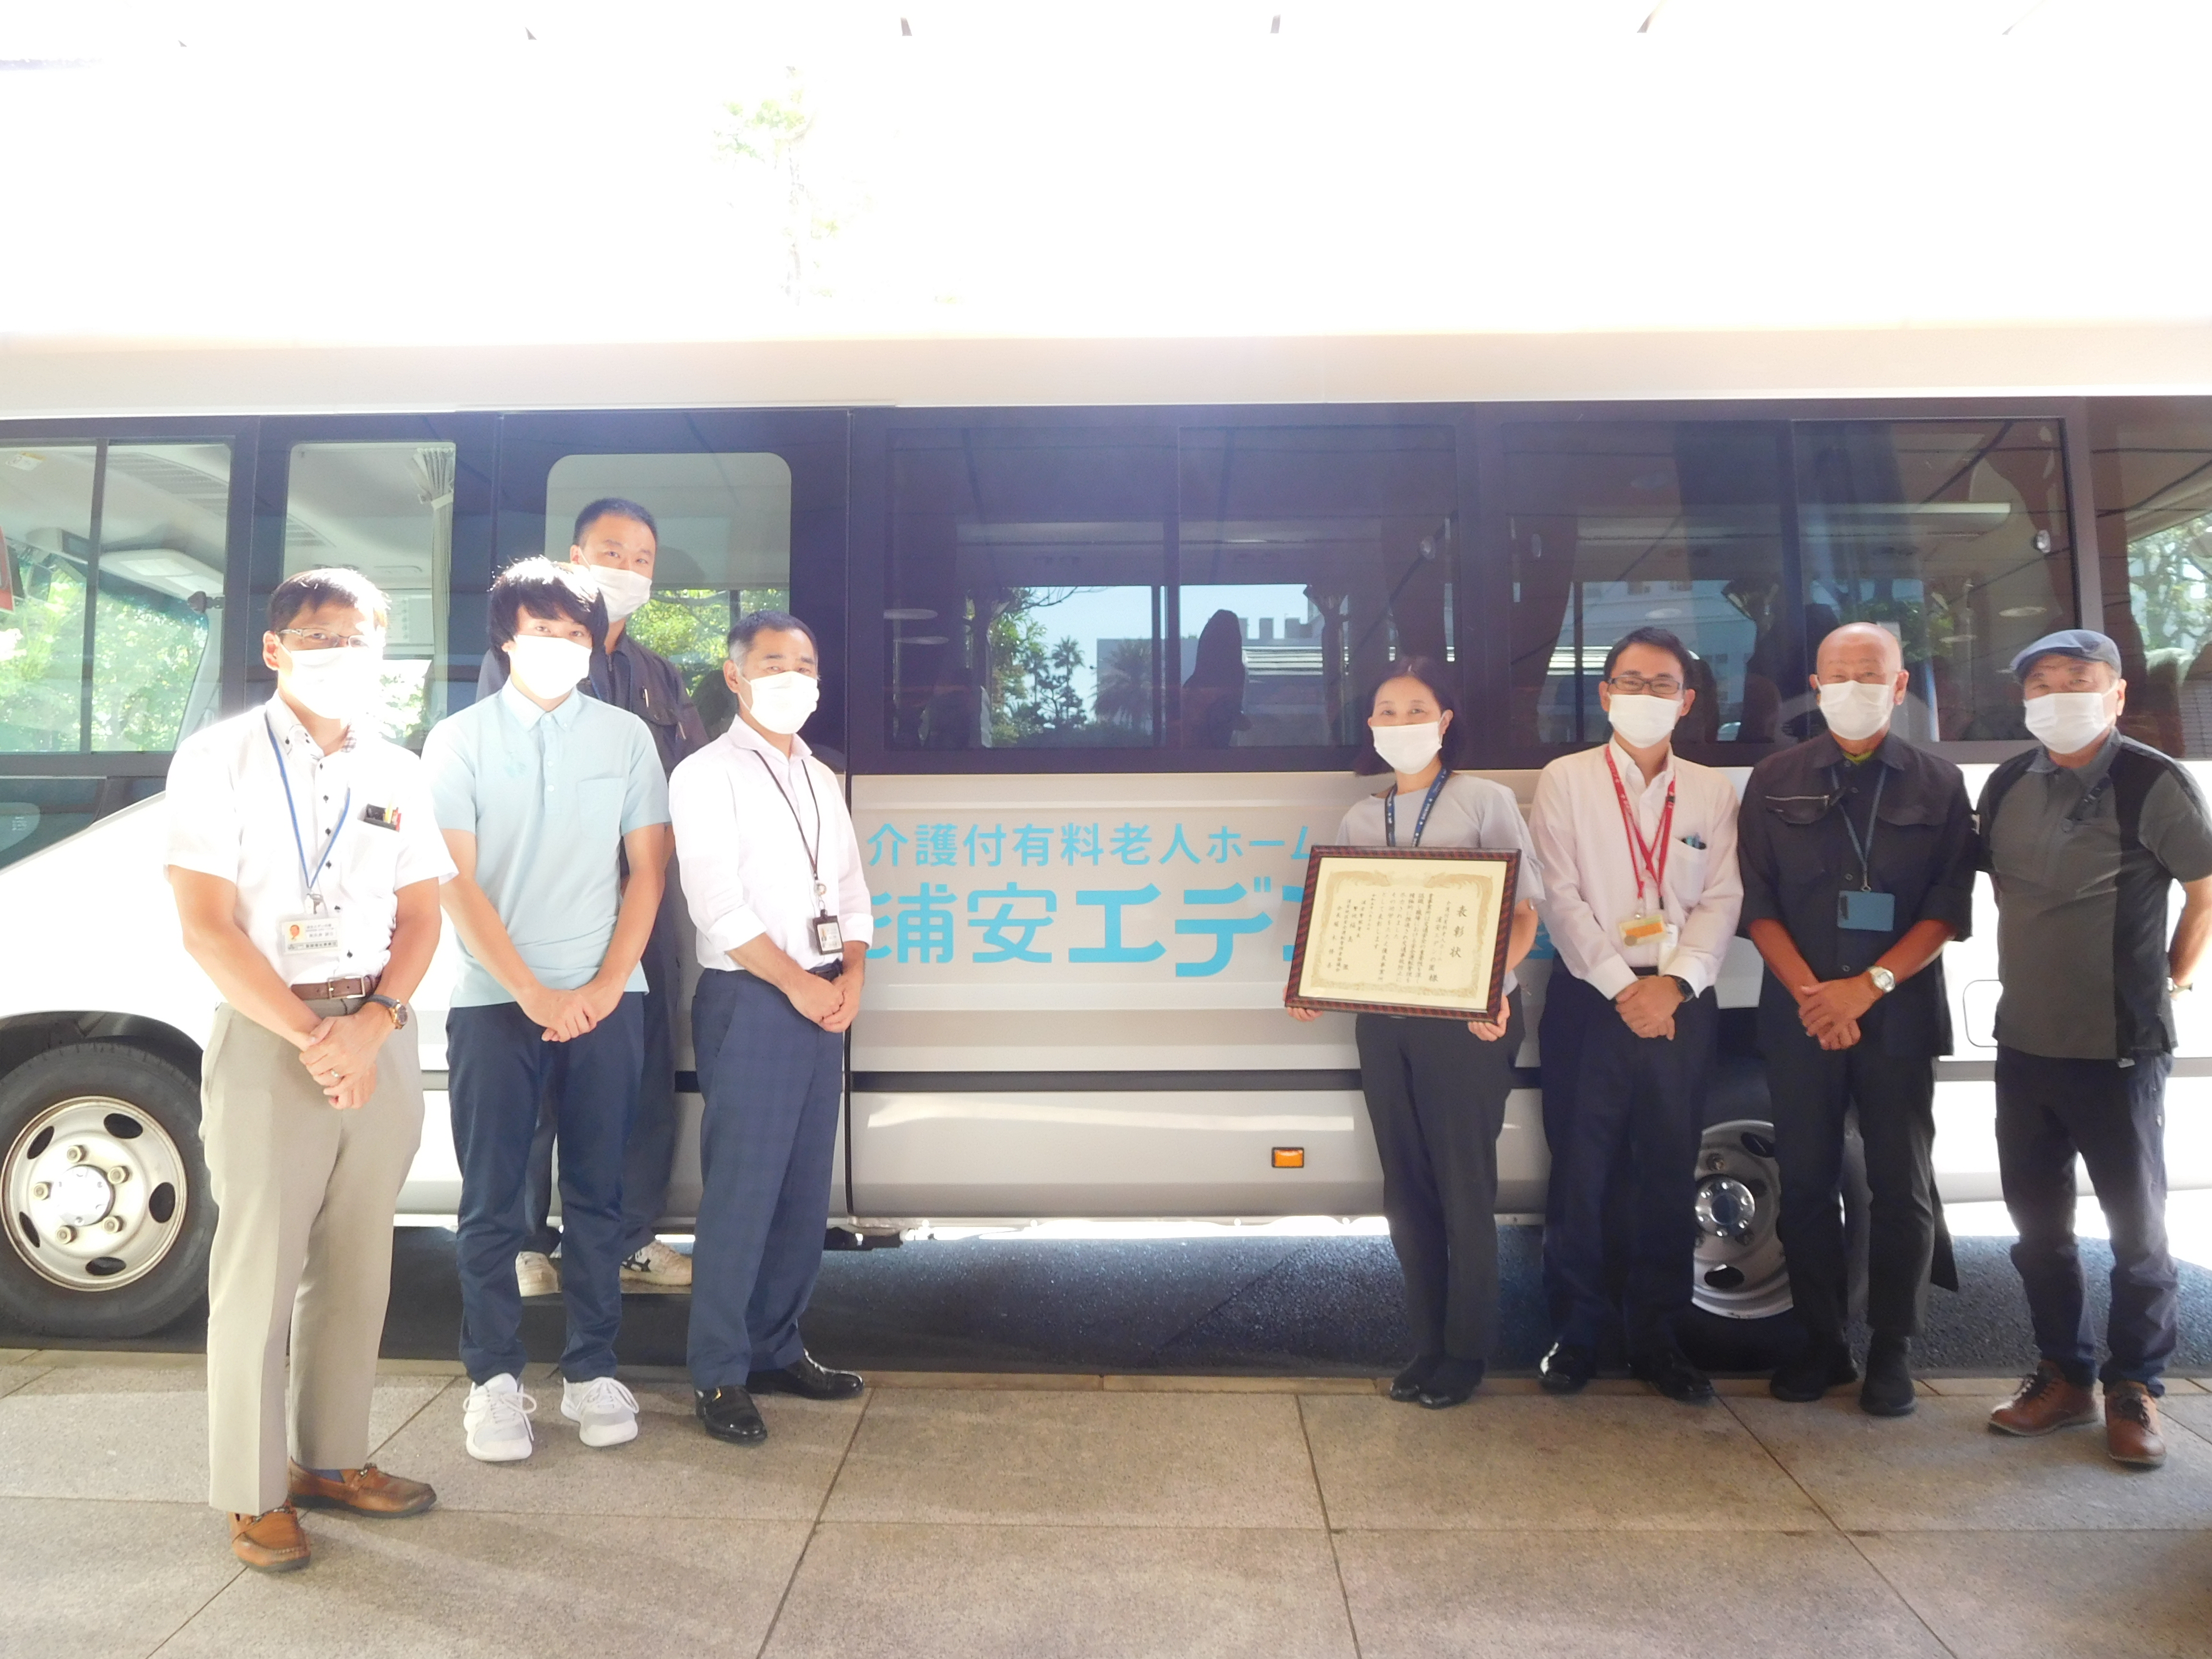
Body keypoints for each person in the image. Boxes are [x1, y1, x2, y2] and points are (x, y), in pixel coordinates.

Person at [166, 567, 453, 1571]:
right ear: (275, 649)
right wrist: (312, 1037)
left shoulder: (400, 769)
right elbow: (207, 930)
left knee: (357, 1263)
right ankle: (252, 1491)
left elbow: (422, 915)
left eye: (361, 638)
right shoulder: (220, 760)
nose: (343, 655)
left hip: (378, 1028)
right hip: (270, 1034)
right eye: (320, 637)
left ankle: (331, 1461)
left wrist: (374, 1024)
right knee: (258, 1270)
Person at [425, 558, 671, 1462]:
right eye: (545, 632)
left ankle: (592, 1369)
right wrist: (532, 991)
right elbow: (454, 879)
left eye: (576, 634)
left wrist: (605, 986)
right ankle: (493, 1381)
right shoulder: (456, 740)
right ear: (505, 637)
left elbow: (648, 872)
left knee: (601, 1198)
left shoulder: (626, 739)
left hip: (612, 999)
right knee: (493, 1202)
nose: (563, 648)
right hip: (496, 999)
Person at [1978, 628, 2212, 1469]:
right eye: (2042, 680)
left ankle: (2135, 1386)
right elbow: (2007, 888)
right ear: (2025, 699)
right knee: (2039, 1230)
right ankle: (2064, 1377)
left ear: (2116, 695)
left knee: (2138, 1233)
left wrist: (2172, 984)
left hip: (2120, 1047)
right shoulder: (2008, 782)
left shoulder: (2153, 779)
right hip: (2026, 1045)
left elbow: (2204, 890)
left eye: (2080, 680)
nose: (2059, 693)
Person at [1288, 660, 1543, 1408]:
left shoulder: (1485, 800)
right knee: (1406, 1186)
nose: (1401, 722)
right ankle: (1426, 1345)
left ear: (1446, 719)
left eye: (1415, 708)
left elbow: (1524, 915)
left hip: (1471, 1020)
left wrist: (1491, 992)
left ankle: (1467, 1354)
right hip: (1386, 1025)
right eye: (1386, 710)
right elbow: (1344, 926)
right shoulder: (1361, 820)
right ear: (1371, 727)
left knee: (1466, 1185)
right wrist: (1313, 985)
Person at [1737, 623, 1974, 1416]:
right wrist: (1817, 996)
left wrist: (1864, 989)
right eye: (1838, 673)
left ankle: (1893, 1349)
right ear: (1816, 681)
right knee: (1804, 1184)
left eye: (1869, 673)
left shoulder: (1941, 784)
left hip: (1897, 1013)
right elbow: (1759, 906)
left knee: (1898, 1185)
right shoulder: (1773, 778)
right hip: (1802, 1015)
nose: (1853, 684)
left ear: (1900, 686)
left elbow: (1947, 910)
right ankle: (1822, 1341)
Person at [477, 498, 707, 1298]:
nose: (629, 569)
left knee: (640, 1074)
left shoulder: (659, 676)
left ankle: (627, 1236)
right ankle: (521, 1240)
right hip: (543, 898)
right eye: (612, 551)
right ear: (575, 555)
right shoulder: (523, 659)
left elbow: (692, 785)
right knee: (536, 1069)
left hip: (642, 902)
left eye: (644, 558)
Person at [668, 610, 872, 1445]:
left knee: (799, 1195)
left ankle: (777, 1345)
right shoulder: (705, 773)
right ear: (735, 676)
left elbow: (852, 890)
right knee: (743, 1195)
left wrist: (851, 974)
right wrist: (795, 982)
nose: (794, 677)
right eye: (774, 663)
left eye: (806, 664)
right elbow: (716, 906)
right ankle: (718, 1375)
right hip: (753, 997)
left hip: (824, 998)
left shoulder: (822, 777)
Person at [1527, 626, 1743, 1404]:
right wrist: (1625, 987)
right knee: (1580, 1172)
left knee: (1665, 1167)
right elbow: (1561, 896)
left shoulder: (1713, 792)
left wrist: (1674, 986)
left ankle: (1658, 1336)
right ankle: (1577, 1333)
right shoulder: (1566, 780)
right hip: (1592, 1001)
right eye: (1630, 680)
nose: (1644, 695)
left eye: (1662, 684)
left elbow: (1722, 900)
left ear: (1686, 702)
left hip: (1682, 1003)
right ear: (1605, 693)